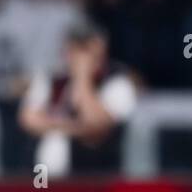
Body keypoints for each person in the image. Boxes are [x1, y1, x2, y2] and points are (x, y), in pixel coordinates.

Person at [18, 21, 137, 177]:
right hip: (42, 179)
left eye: (85, 49)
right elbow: (28, 119)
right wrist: (76, 128)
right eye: (74, 48)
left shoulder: (117, 82)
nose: (79, 55)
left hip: (93, 178)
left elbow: (96, 124)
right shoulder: (53, 78)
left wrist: (82, 78)